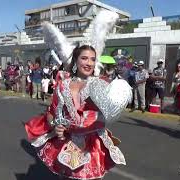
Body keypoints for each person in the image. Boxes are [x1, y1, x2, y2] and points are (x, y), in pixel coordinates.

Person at [25, 45, 126, 179]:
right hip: (67, 142)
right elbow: (52, 112)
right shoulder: (63, 85)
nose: (89, 63)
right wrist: (56, 125)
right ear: (76, 61)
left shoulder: (102, 84)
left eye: (92, 59)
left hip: (93, 144)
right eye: (84, 58)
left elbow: (112, 111)